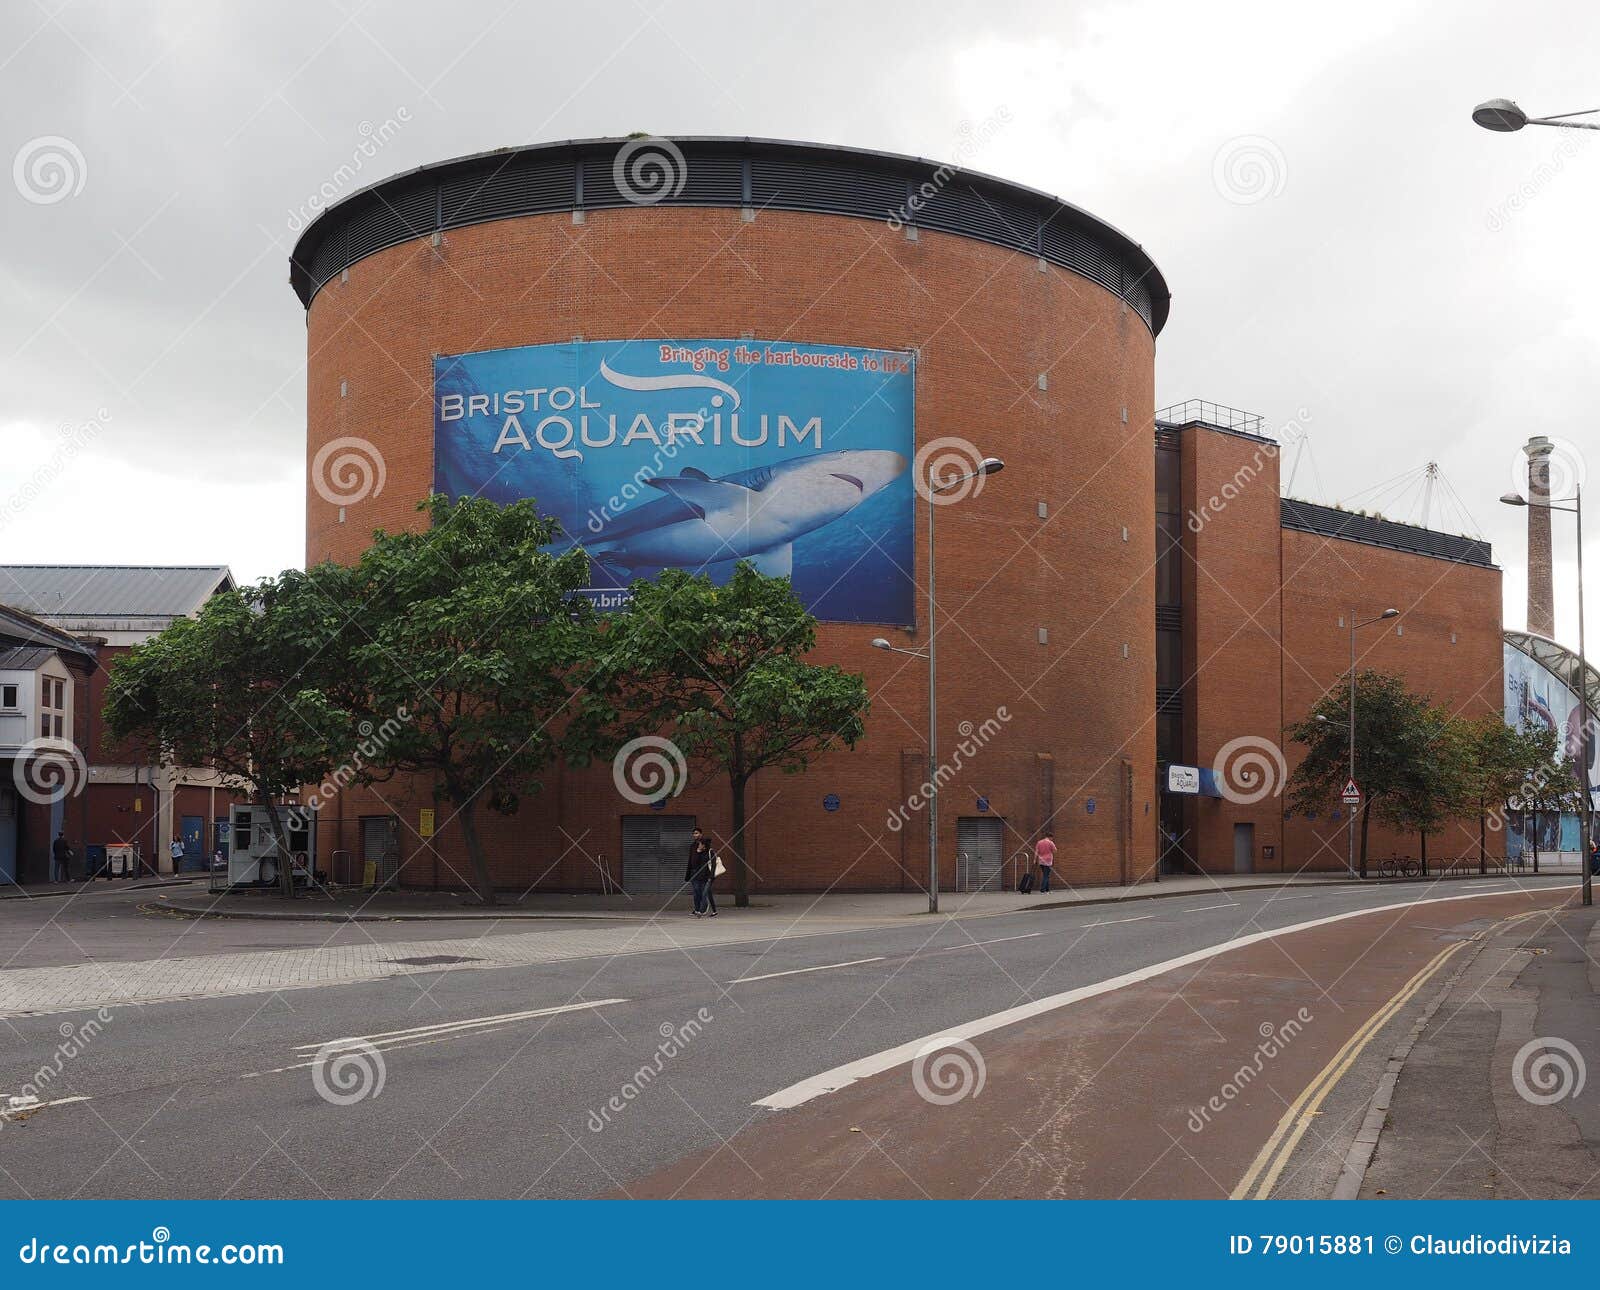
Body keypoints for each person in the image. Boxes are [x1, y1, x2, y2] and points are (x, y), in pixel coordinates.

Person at [685, 828, 716, 917]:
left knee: (702, 892)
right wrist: (688, 873)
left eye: (696, 833)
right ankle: (697, 909)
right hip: (694, 872)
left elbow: (707, 863)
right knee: (696, 892)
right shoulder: (692, 846)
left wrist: (711, 875)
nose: (695, 835)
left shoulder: (706, 849)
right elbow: (691, 861)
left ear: (701, 834)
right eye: (694, 833)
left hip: (703, 874)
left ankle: (703, 908)